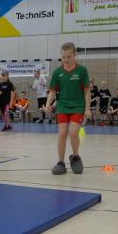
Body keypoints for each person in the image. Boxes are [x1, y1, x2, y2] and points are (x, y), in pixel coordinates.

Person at [44, 42, 91, 175]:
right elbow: (53, 92)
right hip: (63, 106)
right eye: (63, 57)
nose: (66, 60)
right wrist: (48, 104)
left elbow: (87, 91)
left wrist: (87, 109)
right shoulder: (58, 72)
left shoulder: (82, 70)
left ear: (75, 55)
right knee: (62, 133)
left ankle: (75, 157)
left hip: (78, 106)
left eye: (69, 57)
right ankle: (60, 162)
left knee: (73, 132)